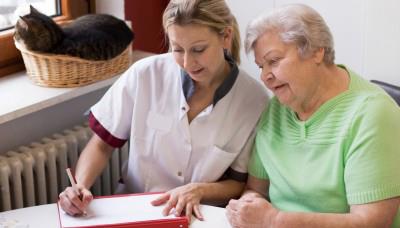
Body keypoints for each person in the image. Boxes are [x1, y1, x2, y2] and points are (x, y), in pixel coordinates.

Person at [58, 0, 268, 221]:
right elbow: (102, 145)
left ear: (226, 36)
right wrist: (80, 185)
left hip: (201, 216)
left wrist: (199, 190)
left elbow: (238, 182)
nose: (188, 62)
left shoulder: (253, 101)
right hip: (135, 208)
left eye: (199, 49)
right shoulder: (145, 74)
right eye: (177, 49)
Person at [226, 4, 400, 228]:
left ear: (317, 51)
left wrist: (274, 220)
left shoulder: (372, 114)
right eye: (261, 66)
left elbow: (372, 222)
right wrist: (249, 208)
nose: (265, 76)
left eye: (274, 61)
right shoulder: (277, 108)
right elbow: (255, 189)